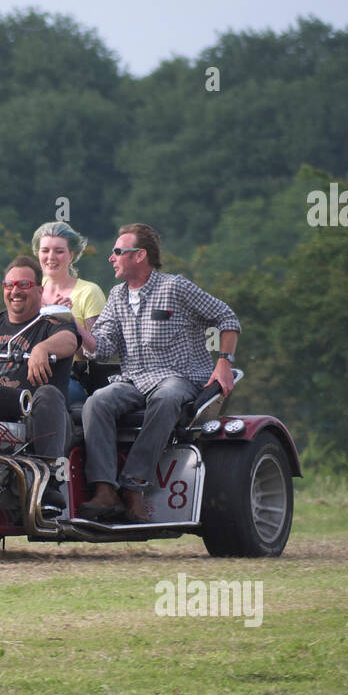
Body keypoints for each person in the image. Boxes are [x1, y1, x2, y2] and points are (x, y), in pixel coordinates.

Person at [80, 224, 240, 523]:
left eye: (117, 252)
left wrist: (224, 362)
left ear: (140, 256)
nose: (110, 258)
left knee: (166, 398)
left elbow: (226, 316)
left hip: (178, 376)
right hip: (134, 380)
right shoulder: (116, 296)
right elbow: (101, 349)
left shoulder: (175, 287)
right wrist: (75, 327)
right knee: (97, 402)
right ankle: (104, 491)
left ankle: (134, 487)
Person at [0, 255, 79, 462]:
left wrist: (42, 348)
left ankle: (48, 480)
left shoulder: (50, 322)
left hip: (34, 419)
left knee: (48, 394)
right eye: (9, 285)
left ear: (40, 290)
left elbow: (69, 340)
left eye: (24, 284)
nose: (15, 291)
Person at [32, 221, 106, 406]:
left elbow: (96, 352)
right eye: (45, 250)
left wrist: (67, 319)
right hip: (28, 371)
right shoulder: (29, 291)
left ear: (71, 255)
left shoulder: (89, 292)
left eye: (59, 251)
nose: (51, 257)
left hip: (70, 377)